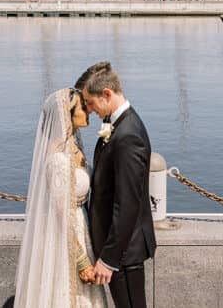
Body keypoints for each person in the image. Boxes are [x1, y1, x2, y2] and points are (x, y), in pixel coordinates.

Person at [14, 88, 110, 308]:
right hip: (66, 234)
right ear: (67, 113)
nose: (87, 110)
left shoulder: (76, 147)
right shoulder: (57, 157)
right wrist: (80, 260)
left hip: (81, 224)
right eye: (81, 107)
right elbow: (60, 212)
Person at [76, 62, 156, 308]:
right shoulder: (117, 125)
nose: (89, 110)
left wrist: (109, 258)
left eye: (90, 102)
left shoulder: (128, 135)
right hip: (119, 249)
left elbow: (127, 203)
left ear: (107, 94)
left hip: (123, 252)